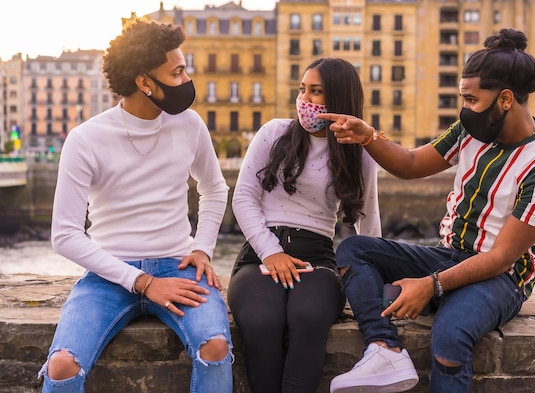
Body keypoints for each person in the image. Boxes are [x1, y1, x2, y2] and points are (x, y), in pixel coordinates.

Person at [318, 28, 535, 393]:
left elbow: (500, 258)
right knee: (354, 250)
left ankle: (434, 302)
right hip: (448, 256)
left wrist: (430, 285)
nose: (464, 108)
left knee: (451, 337)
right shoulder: (470, 132)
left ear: (506, 99)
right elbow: (410, 164)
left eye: (470, 99)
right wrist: (368, 135)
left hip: (502, 277)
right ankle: (385, 348)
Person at [38, 20, 233, 393]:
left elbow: (213, 188)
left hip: (177, 264)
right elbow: (64, 235)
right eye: (177, 72)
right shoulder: (86, 139)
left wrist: (203, 248)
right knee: (61, 365)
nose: (186, 79)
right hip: (108, 275)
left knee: (216, 347)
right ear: (145, 83)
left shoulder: (189, 124)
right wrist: (143, 282)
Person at [227, 57, 382, 393]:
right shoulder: (274, 133)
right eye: (303, 90)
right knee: (261, 321)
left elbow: (367, 222)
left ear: (339, 100)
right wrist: (271, 253)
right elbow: (243, 199)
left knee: (309, 319)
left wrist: (374, 283)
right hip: (261, 255)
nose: (305, 100)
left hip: (317, 257)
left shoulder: (361, 153)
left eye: (316, 92)